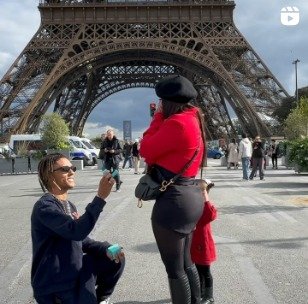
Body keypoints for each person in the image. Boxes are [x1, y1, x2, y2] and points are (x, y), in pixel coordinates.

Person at [139, 75, 206, 304]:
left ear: (166, 102)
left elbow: (146, 149)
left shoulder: (176, 122)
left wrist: (157, 116)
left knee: (174, 269)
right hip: (190, 195)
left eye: (161, 103)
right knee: (186, 262)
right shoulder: (194, 119)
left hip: (174, 202)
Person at [31, 153, 125, 304]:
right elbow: (76, 231)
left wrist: (107, 248)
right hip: (56, 285)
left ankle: (101, 299)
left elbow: (80, 239)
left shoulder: (68, 205)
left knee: (116, 259)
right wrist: (100, 198)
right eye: (65, 169)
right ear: (49, 175)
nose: (72, 171)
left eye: (72, 168)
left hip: (75, 273)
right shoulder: (45, 207)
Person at [191, 179, 217, 304]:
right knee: (196, 271)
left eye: (201, 192)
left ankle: (209, 296)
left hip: (204, 245)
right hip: (193, 245)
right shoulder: (192, 205)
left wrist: (205, 197)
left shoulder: (207, 207)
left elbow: (211, 215)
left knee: (205, 272)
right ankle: (199, 292)